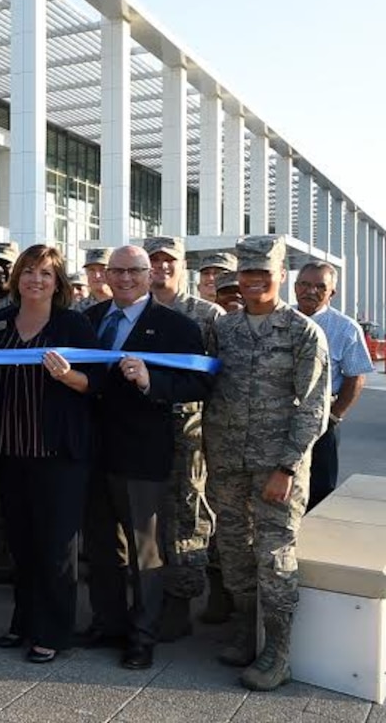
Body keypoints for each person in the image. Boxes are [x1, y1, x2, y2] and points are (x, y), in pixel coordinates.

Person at [0, 243, 100, 664]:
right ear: (17, 278)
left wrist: (68, 375)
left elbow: (99, 384)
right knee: (20, 544)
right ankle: (24, 621)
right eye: (28, 272)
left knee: (56, 548)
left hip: (58, 454)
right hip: (10, 449)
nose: (35, 280)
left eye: (45, 274)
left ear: (58, 283)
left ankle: (54, 631)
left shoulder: (73, 325)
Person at [205, 235, 328, 692]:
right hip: (227, 460)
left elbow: (313, 406)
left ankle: (278, 651)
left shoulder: (301, 331)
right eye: (247, 273)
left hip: (277, 465)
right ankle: (245, 629)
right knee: (234, 549)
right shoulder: (225, 328)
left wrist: (288, 468)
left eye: (264, 273)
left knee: (274, 555)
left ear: (281, 276)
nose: (255, 281)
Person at [82, 246, 211, 670]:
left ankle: (143, 635)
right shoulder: (90, 318)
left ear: (149, 273)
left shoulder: (175, 325)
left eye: (133, 271)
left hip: (142, 453)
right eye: (115, 271)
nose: (123, 278)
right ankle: (109, 623)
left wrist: (150, 381)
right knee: (101, 546)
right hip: (91, 452)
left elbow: (199, 384)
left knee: (144, 551)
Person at [145, 235, 226, 636]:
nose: (161, 267)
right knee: (146, 517)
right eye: (153, 260)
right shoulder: (132, 311)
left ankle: (181, 600)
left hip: (188, 432)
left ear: (182, 266)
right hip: (140, 429)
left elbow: (216, 378)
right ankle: (150, 594)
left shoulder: (207, 315)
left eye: (168, 261)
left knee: (186, 516)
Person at [293, 261, 371, 509]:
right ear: (295, 287)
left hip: (322, 420)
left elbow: (355, 376)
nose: (311, 291)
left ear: (332, 293)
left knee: (318, 488)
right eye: (305, 284)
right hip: (279, 417)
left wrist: (334, 417)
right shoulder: (282, 319)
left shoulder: (346, 328)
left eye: (320, 286)